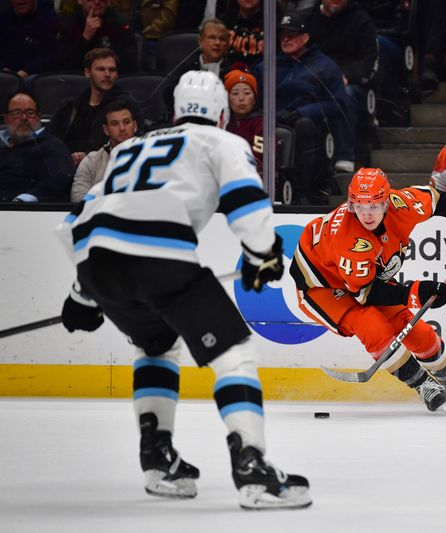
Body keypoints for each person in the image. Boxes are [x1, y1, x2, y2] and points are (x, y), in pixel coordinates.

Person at [57, 70, 311, 510]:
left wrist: (82, 293)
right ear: (221, 113)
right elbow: (247, 200)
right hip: (159, 258)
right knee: (233, 352)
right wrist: (263, 253)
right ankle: (252, 469)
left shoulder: (130, 147)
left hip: (96, 261)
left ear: (175, 111)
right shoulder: (223, 142)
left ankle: (158, 461)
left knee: (156, 347)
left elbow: (90, 217)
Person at [290, 167, 446, 412]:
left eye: (374, 206)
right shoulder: (349, 241)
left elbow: (437, 200)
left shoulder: (402, 204)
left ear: (387, 202)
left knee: (410, 326)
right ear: (350, 205)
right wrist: (415, 292)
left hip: (361, 278)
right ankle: (423, 385)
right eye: (359, 206)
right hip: (321, 285)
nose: (367, 215)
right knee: (370, 324)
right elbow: (366, 295)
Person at [271, 11, 348, 204]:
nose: (286, 39)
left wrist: (301, 113)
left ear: (305, 37)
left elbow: (338, 104)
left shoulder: (325, 65)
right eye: (283, 34)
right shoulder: (268, 64)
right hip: (271, 120)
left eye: (292, 34)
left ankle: (303, 193)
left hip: (309, 125)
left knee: (304, 126)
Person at [306, 0, 378, 172]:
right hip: (315, 76)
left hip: (349, 79)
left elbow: (369, 59)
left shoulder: (361, 19)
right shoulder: (309, 18)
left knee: (345, 94)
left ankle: (345, 155)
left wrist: (348, 75)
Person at [48, 48, 133, 166]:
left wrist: (87, 156)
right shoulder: (69, 106)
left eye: (112, 70)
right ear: (87, 72)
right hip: (66, 168)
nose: (107, 74)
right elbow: (50, 142)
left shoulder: (127, 107)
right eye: (101, 69)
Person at [0, 92, 74, 202]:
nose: (24, 118)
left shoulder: (53, 145)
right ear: (6, 118)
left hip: (26, 210)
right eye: (17, 113)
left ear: (39, 117)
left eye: (30, 113)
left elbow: (55, 181)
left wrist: (21, 202)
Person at [70, 99, 138, 202]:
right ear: (106, 130)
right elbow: (77, 198)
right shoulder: (91, 161)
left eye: (126, 122)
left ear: (135, 126)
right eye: (115, 124)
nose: (122, 128)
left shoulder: (151, 154)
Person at [162, 19, 232, 108]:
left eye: (222, 39)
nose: (217, 43)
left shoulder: (232, 71)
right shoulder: (187, 68)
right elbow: (168, 95)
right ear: (200, 41)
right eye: (212, 37)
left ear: (227, 44)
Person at [56, 0, 138, 72]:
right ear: (80, 1)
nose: (97, 2)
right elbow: (64, 66)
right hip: (79, 80)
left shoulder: (119, 23)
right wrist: (85, 37)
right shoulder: (69, 24)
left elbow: (130, 64)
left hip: (112, 78)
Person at [0, 0, 59, 80]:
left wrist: (25, 72)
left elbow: (48, 55)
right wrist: (4, 69)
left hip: (39, 77)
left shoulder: (48, 18)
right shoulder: (4, 19)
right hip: (9, 76)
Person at [225, 67, 263, 176]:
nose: (241, 98)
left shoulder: (262, 123)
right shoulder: (224, 122)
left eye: (247, 93)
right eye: (235, 93)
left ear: (254, 99)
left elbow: (258, 159)